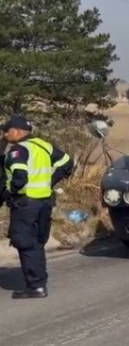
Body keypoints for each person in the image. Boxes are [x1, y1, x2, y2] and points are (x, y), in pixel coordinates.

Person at [1, 115, 73, 299]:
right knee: (37, 243)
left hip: (26, 204)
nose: (5, 134)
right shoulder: (43, 145)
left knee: (26, 244)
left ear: (17, 132)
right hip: (44, 202)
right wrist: (50, 182)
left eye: (7, 131)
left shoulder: (18, 150)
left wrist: (8, 193)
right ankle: (39, 282)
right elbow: (67, 162)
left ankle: (35, 286)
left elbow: (19, 178)